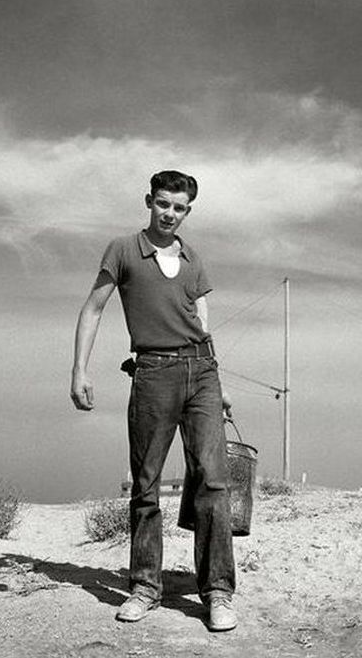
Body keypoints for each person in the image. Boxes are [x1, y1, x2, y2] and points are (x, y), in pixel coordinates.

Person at [70, 170, 237, 632]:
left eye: (180, 208)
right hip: (152, 372)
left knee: (213, 481)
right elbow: (93, 308)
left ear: (188, 211)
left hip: (202, 371)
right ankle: (145, 587)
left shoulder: (193, 258)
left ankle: (218, 592)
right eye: (163, 204)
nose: (170, 214)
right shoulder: (123, 250)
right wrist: (79, 371)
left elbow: (202, 324)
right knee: (146, 485)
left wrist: (219, 388)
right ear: (149, 201)